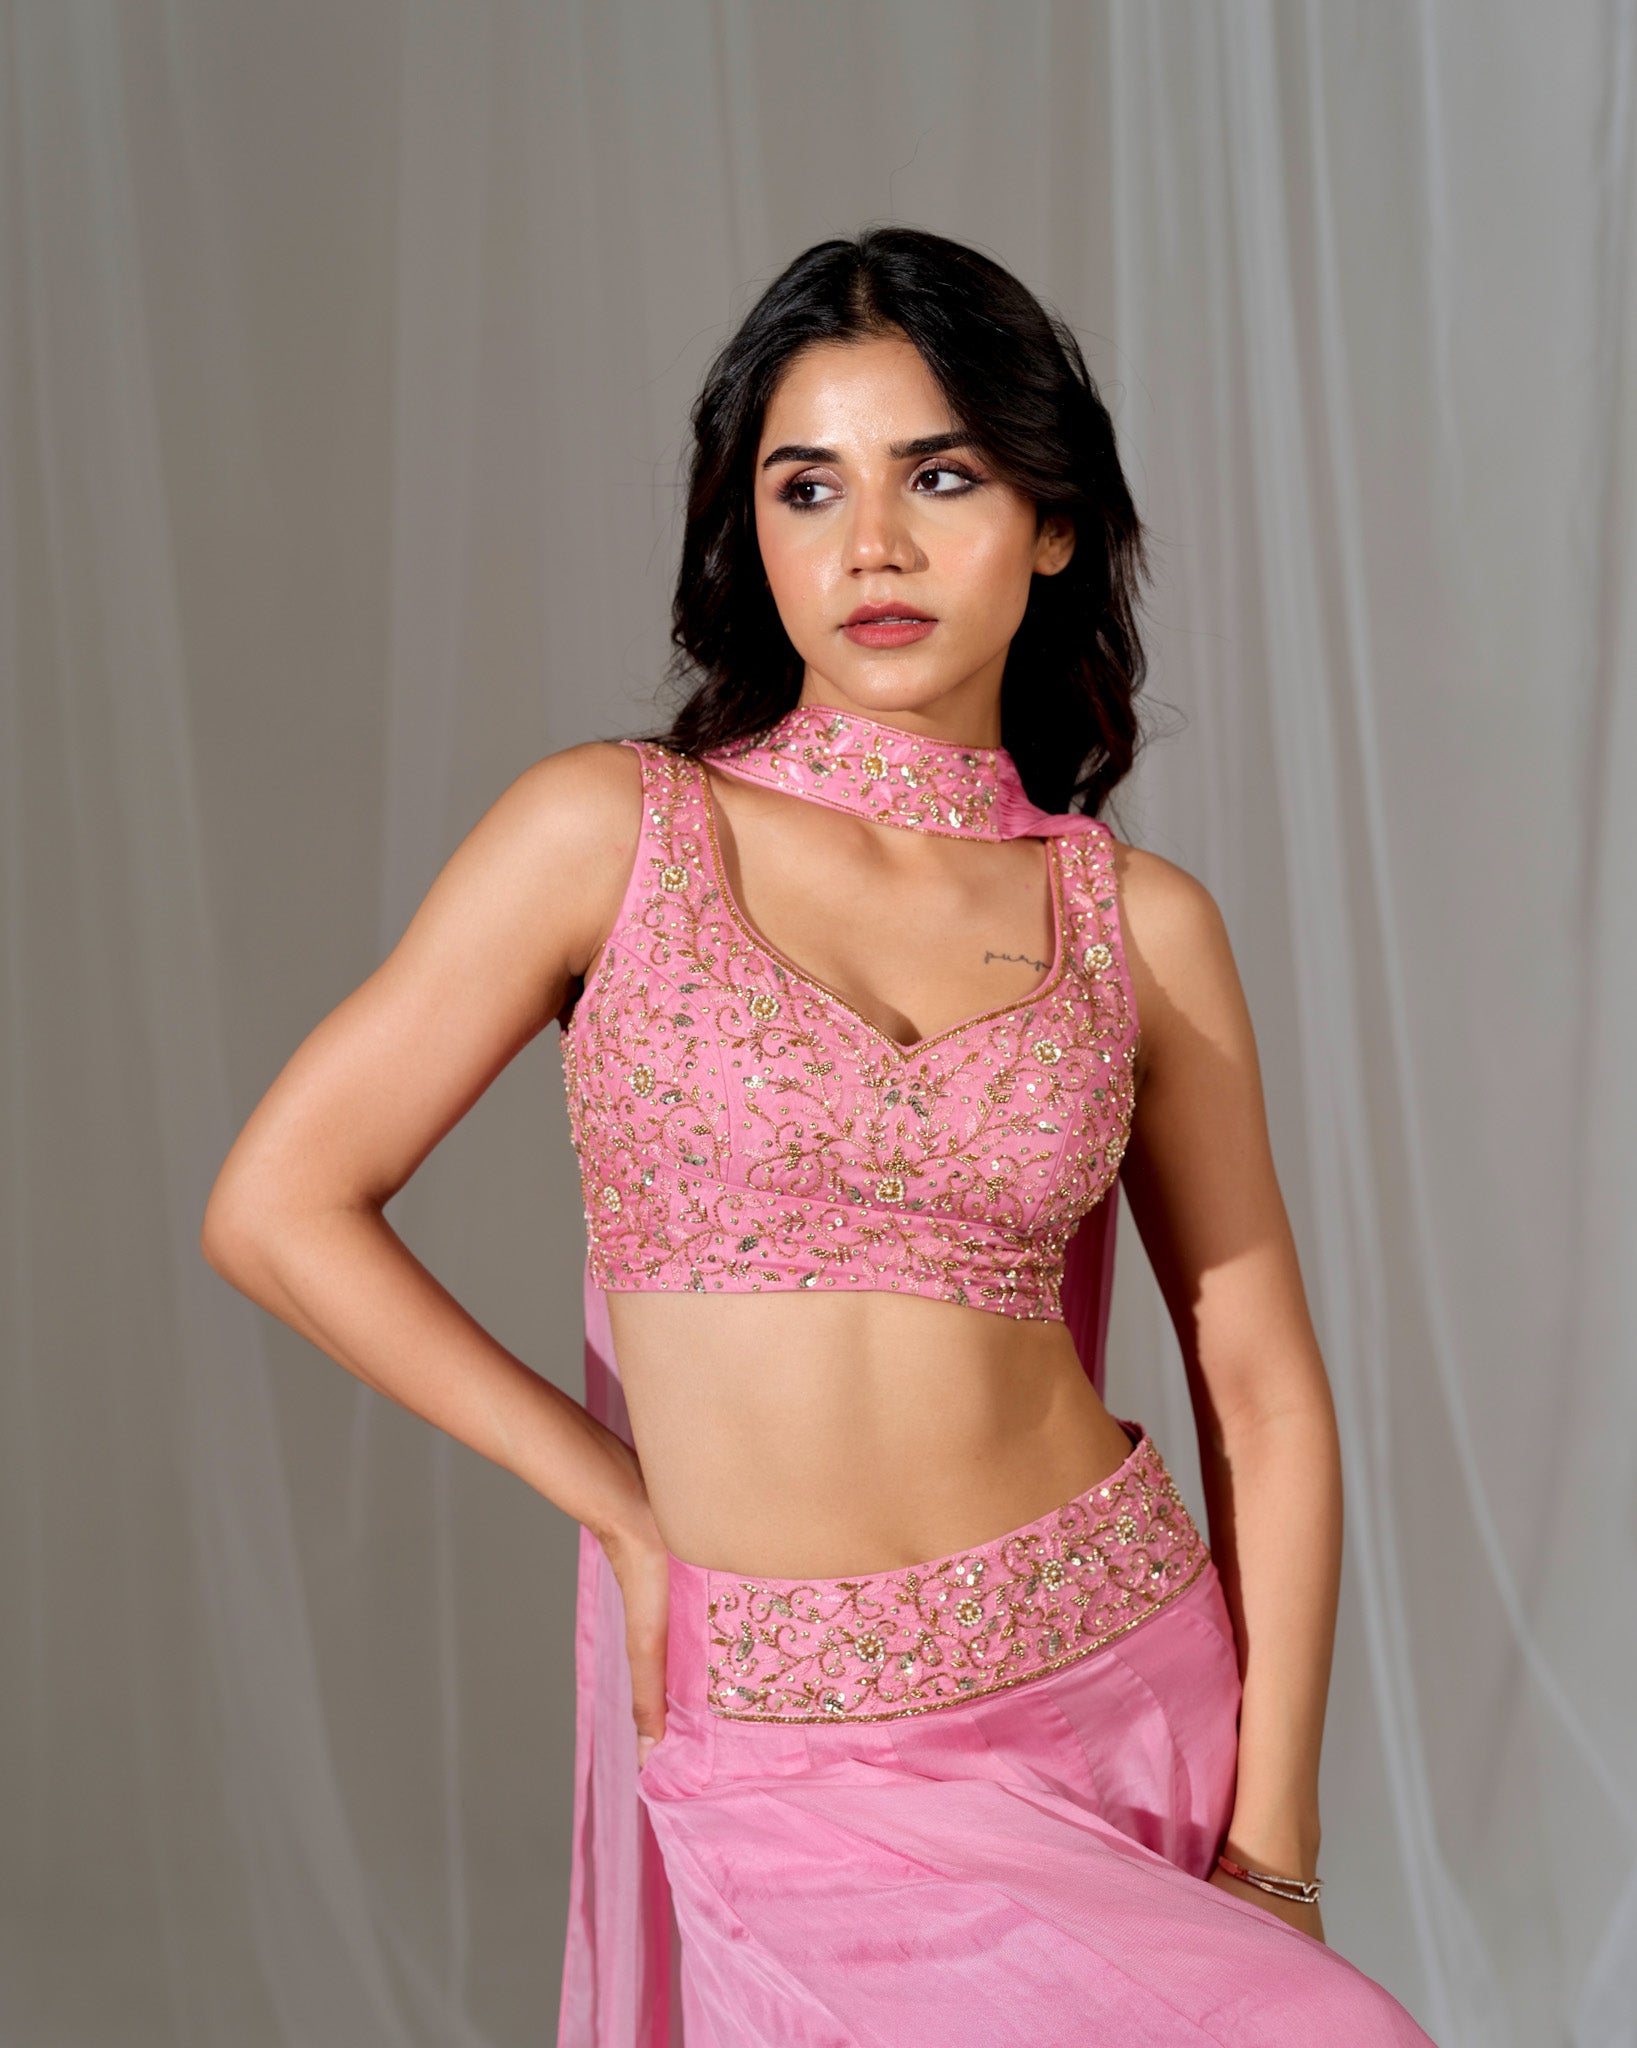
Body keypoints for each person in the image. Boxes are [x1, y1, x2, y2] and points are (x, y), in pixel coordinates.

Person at [202, 226, 1437, 2045]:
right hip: (792, 1741)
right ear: (748, 533)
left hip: (1121, 1675)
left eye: (939, 474)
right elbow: (280, 1205)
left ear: (1055, 518)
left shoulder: (1133, 922)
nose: (870, 543)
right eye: (808, 487)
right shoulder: (607, 833)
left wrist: (1272, 1836)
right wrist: (623, 1512)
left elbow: (1256, 1386)